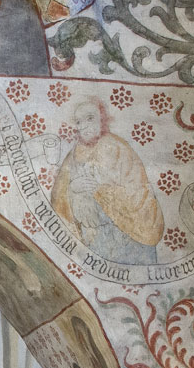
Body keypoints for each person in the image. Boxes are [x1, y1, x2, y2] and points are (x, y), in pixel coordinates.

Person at [50, 97, 165, 265]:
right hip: (96, 240)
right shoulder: (73, 156)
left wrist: (99, 190)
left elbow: (138, 194)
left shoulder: (119, 148)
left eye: (90, 118)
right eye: (79, 121)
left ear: (102, 120)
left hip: (128, 238)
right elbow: (58, 199)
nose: (84, 125)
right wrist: (72, 190)